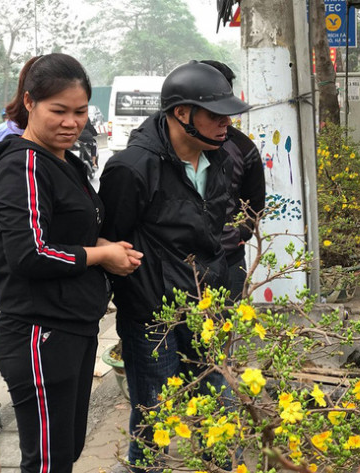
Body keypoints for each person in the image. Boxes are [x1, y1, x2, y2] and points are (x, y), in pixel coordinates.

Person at [0, 53, 143, 473]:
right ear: (29, 102)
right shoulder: (24, 165)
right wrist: (101, 254)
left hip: (72, 326)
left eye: (80, 111)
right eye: (59, 111)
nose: (72, 122)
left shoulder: (63, 162)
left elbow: (68, 233)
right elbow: (29, 253)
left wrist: (103, 244)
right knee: (48, 461)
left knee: (64, 451)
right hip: (39, 332)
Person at [98, 60, 251, 468]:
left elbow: (214, 234)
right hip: (154, 319)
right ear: (182, 114)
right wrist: (146, 293)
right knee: (154, 417)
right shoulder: (131, 168)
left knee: (219, 406)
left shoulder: (218, 158)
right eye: (216, 115)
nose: (225, 125)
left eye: (228, 116)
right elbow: (111, 244)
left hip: (207, 308)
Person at [200, 60, 266, 300]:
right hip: (179, 266)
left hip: (229, 261)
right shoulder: (163, 150)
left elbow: (255, 204)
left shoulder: (241, 147)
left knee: (229, 332)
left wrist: (237, 235)